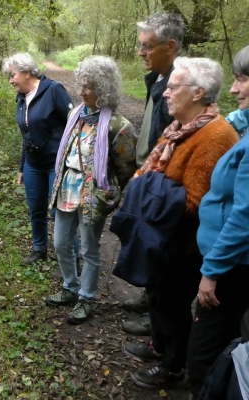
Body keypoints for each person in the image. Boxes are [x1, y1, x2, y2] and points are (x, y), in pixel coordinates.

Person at [123, 57, 238, 389]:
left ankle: (172, 368)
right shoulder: (179, 128)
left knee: (172, 306)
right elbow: (149, 170)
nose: (166, 93)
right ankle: (158, 346)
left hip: (183, 246)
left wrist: (147, 193)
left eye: (173, 87)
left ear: (198, 92)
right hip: (161, 237)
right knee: (157, 299)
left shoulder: (215, 136)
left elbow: (196, 202)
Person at [44, 56, 137, 325]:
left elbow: (126, 166)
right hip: (66, 188)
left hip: (92, 194)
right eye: (81, 85)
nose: (81, 91)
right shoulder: (76, 115)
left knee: (90, 248)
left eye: (88, 87)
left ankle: (86, 298)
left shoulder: (119, 126)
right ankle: (69, 287)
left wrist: (106, 188)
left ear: (104, 90)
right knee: (61, 242)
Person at [186, 46, 249, 399]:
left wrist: (211, 272)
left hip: (231, 269)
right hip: (230, 264)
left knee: (205, 356)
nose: (233, 89)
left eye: (241, 80)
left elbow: (244, 217)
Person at [122, 12, 185, 329]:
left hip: (164, 185)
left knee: (160, 250)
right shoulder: (159, 78)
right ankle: (150, 300)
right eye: (139, 45)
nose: (140, 52)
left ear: (170, 46)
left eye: (147, 46)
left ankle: (158, 326)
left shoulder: (181, 85)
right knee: (148, 247)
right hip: (151, 176)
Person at [2, 53, 75, 265]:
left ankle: (73, 258)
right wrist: (22, 166)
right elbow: (26, 135)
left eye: (13, 75)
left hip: (57, 165)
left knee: (60, 213)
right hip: (33, 165)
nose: (11, 80)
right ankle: (39, 249)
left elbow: (72, 126)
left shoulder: (53, 90)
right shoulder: (21, 98)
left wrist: (71, 163)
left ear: (26, 72)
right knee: (36, 210)